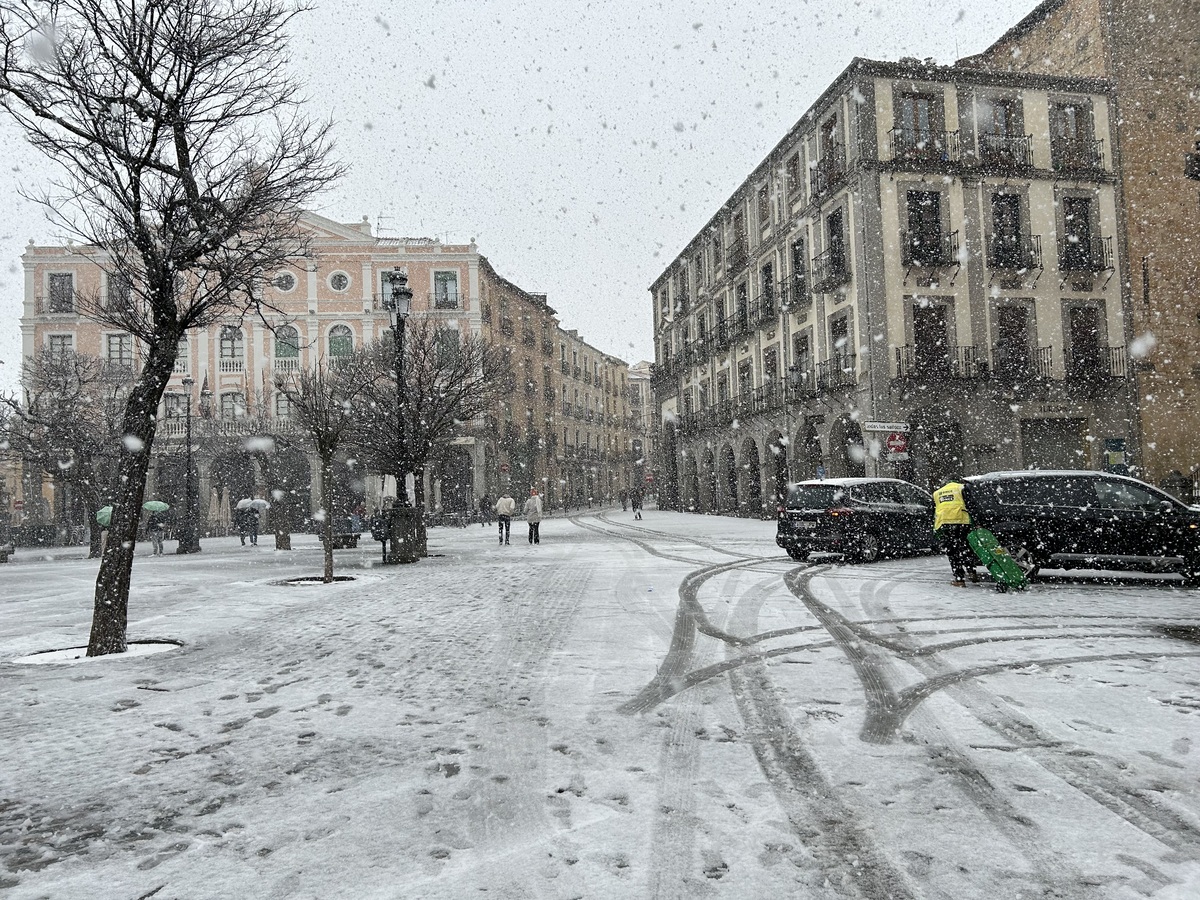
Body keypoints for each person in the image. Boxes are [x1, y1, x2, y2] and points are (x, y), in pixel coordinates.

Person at [933, 477, 979, 586]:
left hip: (944, 523)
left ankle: (959, 579)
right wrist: (977, 521)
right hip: (962, 520)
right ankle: (971, 572)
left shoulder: (937, 493)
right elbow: (971, 505)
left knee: (952, 551)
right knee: (966, 547)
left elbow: (935, 510)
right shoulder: (962, 488)